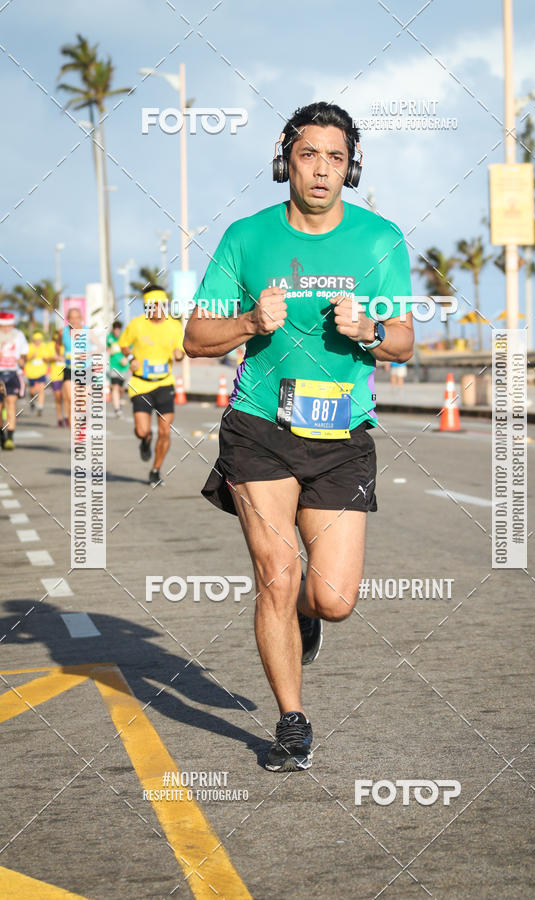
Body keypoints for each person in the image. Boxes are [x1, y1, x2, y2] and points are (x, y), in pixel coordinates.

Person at [184, 101, 414, 771]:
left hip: (342, 434)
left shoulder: (380, 241)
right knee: (276, 575)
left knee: (335, 598)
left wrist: (370, 329)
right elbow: (196, 337)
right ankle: (291, 719)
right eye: (309, 154)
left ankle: (307, 619)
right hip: (260, 428)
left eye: (336, 158)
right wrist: (251, 321)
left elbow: (403, 339)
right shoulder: (246, 238)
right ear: (286, 156)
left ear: (352, 167)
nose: (322, 170)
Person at [118, 286, 185, 485]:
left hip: (165, 384)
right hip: (140, 384)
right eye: (152, 306)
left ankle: (156, 470)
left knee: (164, 432)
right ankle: (145, 440)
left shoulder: (174, 326)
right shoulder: (136, 325)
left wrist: (179, 355)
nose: (156, 309)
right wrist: (131, 357)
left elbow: (180, 350)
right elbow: (123, 344)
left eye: (160, 305)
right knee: (142, 431)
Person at [0, 311, 28, 449]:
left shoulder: (18, 335)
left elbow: (24, 353)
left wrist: (22, 360)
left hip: (13, 374)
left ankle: (10, 438)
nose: (6, 329)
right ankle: (2, 436)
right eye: (3, 326)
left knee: (11, 404)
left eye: (9, 326)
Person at [24, 331, 51, 416]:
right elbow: (25, 359)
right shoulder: (29, 347)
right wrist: (32, 356)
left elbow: (47, 358)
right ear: (34, 340)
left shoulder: (44, 347)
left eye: (39, 340)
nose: (38, 341)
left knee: (41, 389)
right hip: (31, 372)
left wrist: (45, 359)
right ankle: (32, 401)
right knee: (32, 391)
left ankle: (40, 407)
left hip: (41, 371)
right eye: (36, 340)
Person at [106, 320, 128, 417]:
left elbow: (129, 350)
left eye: (118, 330)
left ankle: (118, 402)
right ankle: (117, 408)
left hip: (124, 367)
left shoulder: (124, 337)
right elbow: (106, 349)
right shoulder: (109, 338)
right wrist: (111, 350)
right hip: (114, 366)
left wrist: (126, 359)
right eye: (115, 330)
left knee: (121, 388)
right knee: (115, 386)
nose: (116, 332)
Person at [49, 335, 66, 426]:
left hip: (66, 375)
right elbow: (45, 358)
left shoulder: (66, 347)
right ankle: (60, 418)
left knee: (66, 397)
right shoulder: (51, 346)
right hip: (55, 376)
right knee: (58, 398)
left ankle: (67, 417)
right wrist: (54, 358)